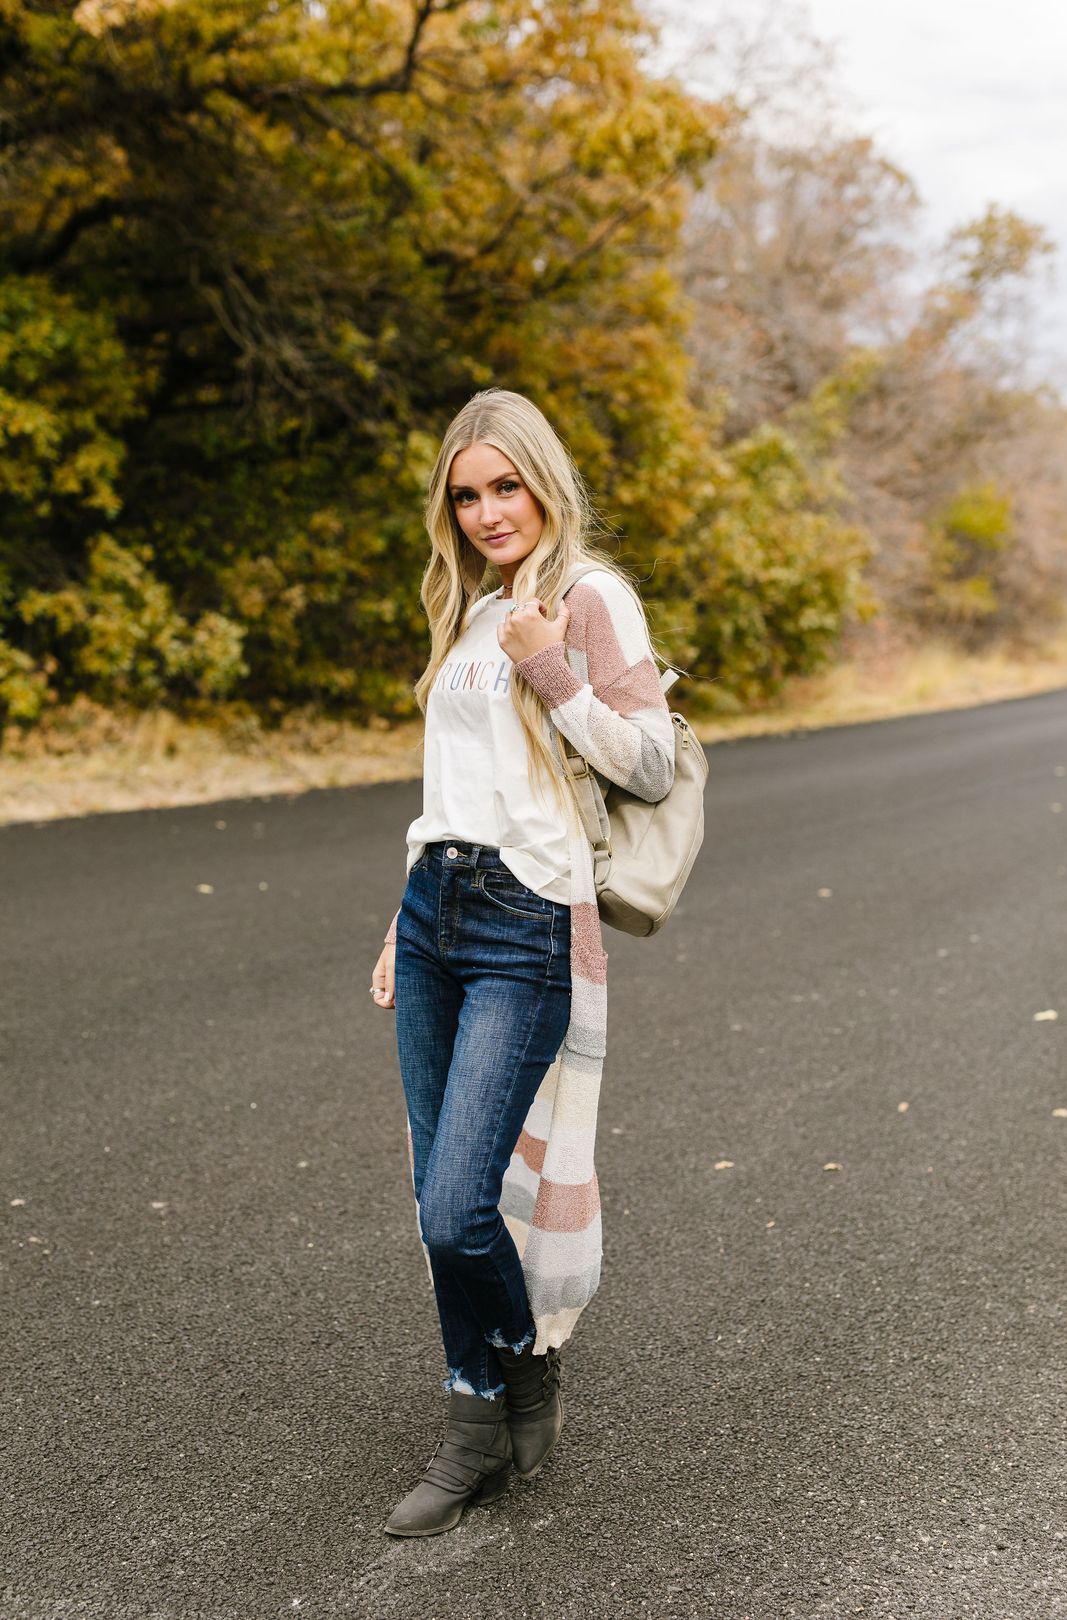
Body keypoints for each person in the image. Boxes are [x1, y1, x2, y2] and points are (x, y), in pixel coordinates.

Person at [369, 387, 676, 1537]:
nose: (489, 511)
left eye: (505, 486)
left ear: (543, 482)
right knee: (430, 1190)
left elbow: (648, 763)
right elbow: (451, 788)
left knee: (461, 1207)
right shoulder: (469, 605)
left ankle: (524, 1362)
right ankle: (473, 1416)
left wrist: (553, 665)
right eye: (467, 493)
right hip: (436, 900)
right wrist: (399, 918)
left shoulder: (588, 599)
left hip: (525, 919)